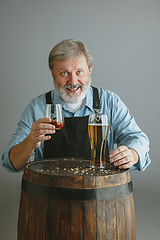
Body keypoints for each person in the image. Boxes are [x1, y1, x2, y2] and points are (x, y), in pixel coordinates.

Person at [2, 39, 151, 172]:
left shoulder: (110, 101)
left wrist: (132, 153)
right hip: (50, 195)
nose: (73, 82)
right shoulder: (37, 107)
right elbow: (11, 163)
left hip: (100, 195)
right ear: (52, 73)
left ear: (90, 71)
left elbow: (138, 139)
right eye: (64, 73)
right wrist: (29, 142)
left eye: (79, 72)